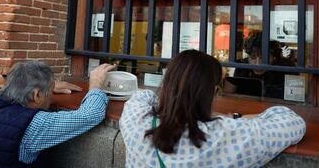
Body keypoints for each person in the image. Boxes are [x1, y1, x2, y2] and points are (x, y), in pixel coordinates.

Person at [120, 49, 305, 168]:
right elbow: (293, 122)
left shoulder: (135, 120)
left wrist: (175, 106)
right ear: (213, 92)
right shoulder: (224, 134)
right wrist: (234, 118)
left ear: (167, 83)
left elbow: (143, 96)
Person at [0, 60, 115, 167]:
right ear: (37, 95)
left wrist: (46, 86)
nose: (51, 95)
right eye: (50, 91)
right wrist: (96, 85)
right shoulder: (33, 125)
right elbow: (92, 114)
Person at [229, 31, 296, 98]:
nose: (258, 63)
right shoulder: (242, 67)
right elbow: (228, 95)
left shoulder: (286, 69)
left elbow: (295, 98)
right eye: (253, 57)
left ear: (274, 57)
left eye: (263, 58)